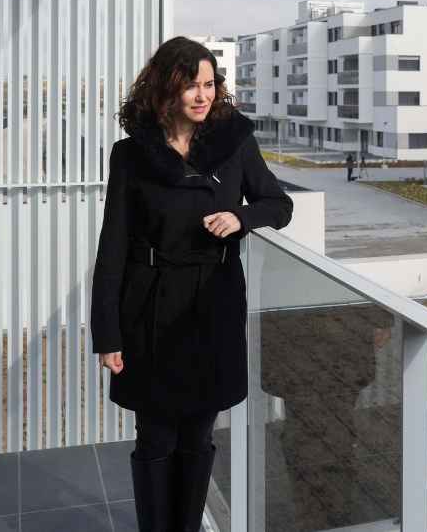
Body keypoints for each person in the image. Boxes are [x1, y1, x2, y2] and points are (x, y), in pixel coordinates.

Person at [90, 36, 293, 531]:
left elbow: (279, 205)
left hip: (212, 305)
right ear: (166, 90)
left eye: (209, 85)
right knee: (156, 437)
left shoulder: (234, 143)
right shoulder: (131, 155)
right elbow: (112, 245)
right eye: (191, 87)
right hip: (149, 307)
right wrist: (107, 335)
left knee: (197, 436)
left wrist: (240, 217)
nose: (203, 96)